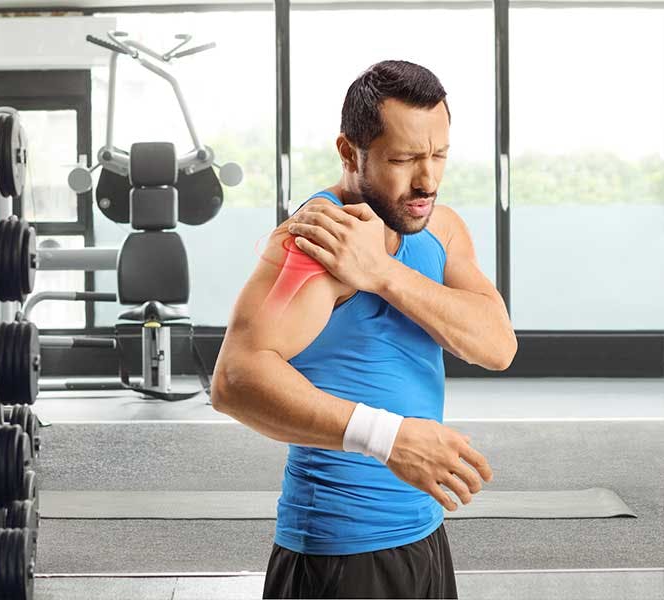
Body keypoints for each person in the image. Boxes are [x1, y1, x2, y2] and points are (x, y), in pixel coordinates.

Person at [210, 60, 517, 599]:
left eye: (438, 155)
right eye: (403, 159)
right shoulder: (314, 242)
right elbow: (234, 380)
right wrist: (389, 437)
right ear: (350, 153)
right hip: (339, 554)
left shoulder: (438, 228)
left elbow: (496, 345)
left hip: (423, 533)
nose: (427, 180)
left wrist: (381, 274)